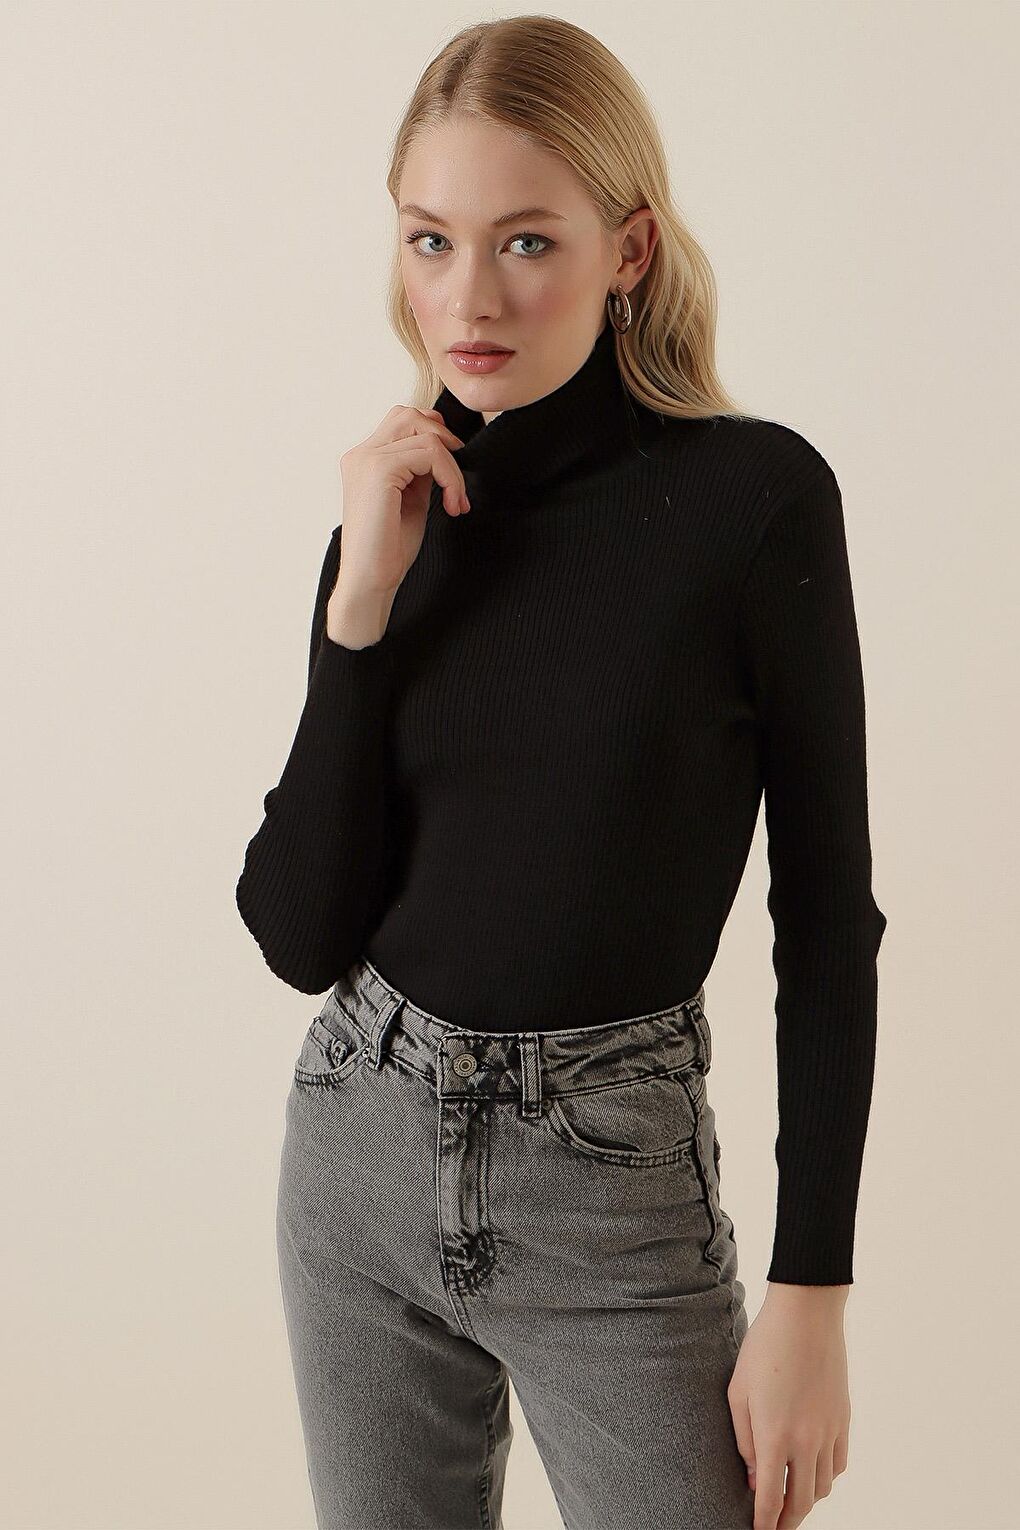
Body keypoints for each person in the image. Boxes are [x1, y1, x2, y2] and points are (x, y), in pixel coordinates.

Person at [235, 17, 887, 1530]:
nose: (469, 298)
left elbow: (826, 916)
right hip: (357, 1152)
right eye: (431, 239)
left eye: (526, 240)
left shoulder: (754, 504)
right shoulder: (395, 521)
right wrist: (356, 611)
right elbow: (297, 932)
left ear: (629, 250)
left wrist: (812, 1293)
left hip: (610, 1188)